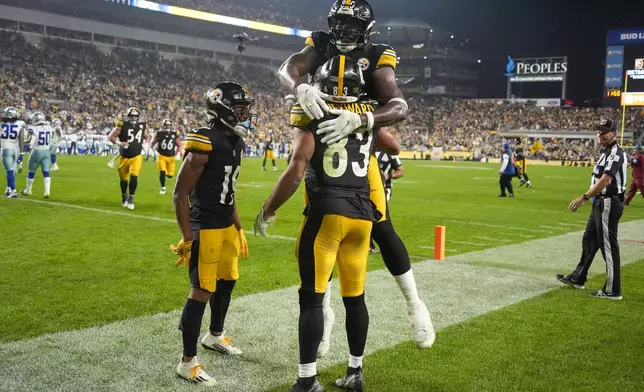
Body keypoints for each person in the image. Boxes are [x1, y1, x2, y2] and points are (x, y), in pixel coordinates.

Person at [278, 0, 434, 354]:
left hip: (358, 147)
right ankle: (326, 315)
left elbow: (399, 104)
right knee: (323, 228)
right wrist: (298, 87)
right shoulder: (319, 43)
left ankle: (415, 304)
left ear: (366, 28)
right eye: (340, 23)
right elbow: (289, 68)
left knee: (380, 224)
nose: (344, 32)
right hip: (321, 139)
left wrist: (363, 119)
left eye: (352, 25)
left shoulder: (378, 54)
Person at [255, 55, 392, 392]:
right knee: (355, 298)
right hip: (362, 219)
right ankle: (355, 372)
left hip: (327, 215)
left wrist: (268, 209)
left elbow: (296, 170)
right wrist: (364, 121)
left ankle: (307, 380)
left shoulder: (309, 113)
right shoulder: (366, 117)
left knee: (313, 299)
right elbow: (394, 144)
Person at [170, 81, 253, 386]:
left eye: (246, 108)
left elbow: (227, 191)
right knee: (201, 291)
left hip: (226, 225)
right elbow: (180, 194)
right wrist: (188, 236)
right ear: (222, 109)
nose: (245, 114)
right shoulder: (205, 140)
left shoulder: (237, 142)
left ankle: (214, 335)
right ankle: (187, 361)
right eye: (240, 108)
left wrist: (239, 225)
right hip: (205, 225)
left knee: (228, 280)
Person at [557, 118, 628, 300]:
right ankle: (578, 277)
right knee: (589, 239)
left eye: (604, 132)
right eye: (598, 132)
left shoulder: (615, 153)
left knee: (608, 246)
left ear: (614, 134)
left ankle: (613, 290)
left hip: (608, 202)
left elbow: (605, 179)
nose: (600, 135)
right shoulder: (605, 152)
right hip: (600, 201)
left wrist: (584, 197)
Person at [108, 107, 149, 210]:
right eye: (132, 116)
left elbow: (146, 136)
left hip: (136, 156)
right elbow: (111, 137)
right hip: (124, 157)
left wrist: (146, 145)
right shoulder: (122, 125)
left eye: (135, 116)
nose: (133, 118)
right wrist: (120, 143)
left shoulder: (142, 126)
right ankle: (124, 196)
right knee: (123, 179)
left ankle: (131, 198)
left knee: (134, 176)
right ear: (128, 116)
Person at [369, 149, 404, 253]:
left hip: (384, 190)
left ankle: (375, 245)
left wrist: (389, 175)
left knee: (377, 218)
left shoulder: (390, 153)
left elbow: (401, 170)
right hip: (365, 189)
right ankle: (370, 245)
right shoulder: (367, 149)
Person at [21, 112, 54, 199]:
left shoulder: (33, 128)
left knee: (31, 171)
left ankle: (28, 190)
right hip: (46, 151)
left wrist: (24, 130)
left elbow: (28, 140)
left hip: (36, 151)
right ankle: (47, 191)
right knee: (46, 172)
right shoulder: (49, 128)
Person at [1, 107, 26, 198]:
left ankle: (13, 191)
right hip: (16, 150)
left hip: (5, 149)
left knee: (9, 170)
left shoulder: (2, 124)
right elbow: (21, 139)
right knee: (11, 170)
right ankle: (8, 188)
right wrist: (22, 153)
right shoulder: (20, 124)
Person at [152, 118, 181, 195]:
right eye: (166, 125)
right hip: (161, 156)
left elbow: (179, 145)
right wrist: (153, 146)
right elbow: (153, 142)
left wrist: (178, 153)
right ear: (163, 126)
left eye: (169, 125)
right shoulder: (159, 133)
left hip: (171, 157)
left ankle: (165, 177)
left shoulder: (175, 134)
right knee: (162, 171)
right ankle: (163, 188)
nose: (168, 127)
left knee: (170, 175)